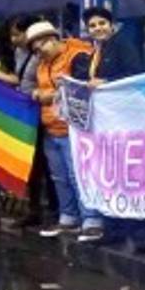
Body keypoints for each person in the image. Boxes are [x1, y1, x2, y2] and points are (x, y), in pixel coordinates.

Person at [74, 6, 145, 252]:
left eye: (101, 23)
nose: (98, 29)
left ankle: (139, 234)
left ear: (111, 24)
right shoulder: (97, 50)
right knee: (109, 177)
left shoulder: (122, 45)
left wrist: (106, 83)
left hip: (124, 121)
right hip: (105, 123)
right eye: (92, 26)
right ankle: (113, 228)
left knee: (128, 177)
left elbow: (136, 75)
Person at [24, 21, 98, 240]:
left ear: (52, 39)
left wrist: (51, 95)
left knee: (79, 176)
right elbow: (30, 88)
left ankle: (91, 220)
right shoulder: (41, 64)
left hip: (73, 129)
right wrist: (39, 94)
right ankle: (69, 218)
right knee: (60, 177)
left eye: (39, 48)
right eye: (34, 50)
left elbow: (82, 86)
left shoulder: (77, 55)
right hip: (50, 127)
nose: (37, 53)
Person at [0, 15, 56, 226]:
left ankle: (53, 208)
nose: (14, 39)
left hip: (40, 109)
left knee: (46, 162)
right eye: (12, 35)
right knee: (30, 162)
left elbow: (26, 81)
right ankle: (34, 208)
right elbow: (19, 78)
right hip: (23, 108)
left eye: (17, 34)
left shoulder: (41, 55)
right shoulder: (20, 52)